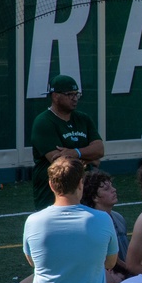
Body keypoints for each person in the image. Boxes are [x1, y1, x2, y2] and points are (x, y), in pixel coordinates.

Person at [31, 74, 104, 210]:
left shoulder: (83, 119)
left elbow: (99, 150)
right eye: (69, 94)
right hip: (52, 195)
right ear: (55, 96)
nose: (75, 98)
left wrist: (75, 153)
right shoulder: (43, 122)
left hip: (83, 191)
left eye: (77, 94)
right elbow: (60, 162)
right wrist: (89, 159)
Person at [81, 171, 130, 278]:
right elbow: (111, 260)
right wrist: (132, 271)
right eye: (107, 189)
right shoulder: (92, 223)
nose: (114, 190)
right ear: (94, 197)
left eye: (112, 186)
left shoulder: (118, 217)